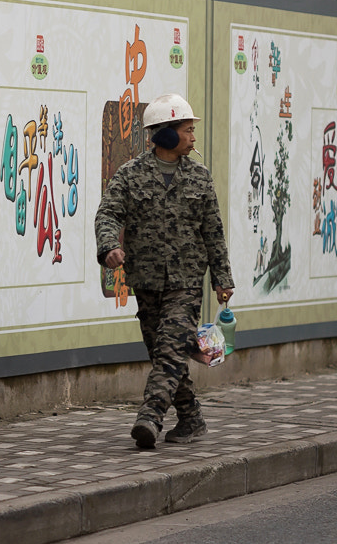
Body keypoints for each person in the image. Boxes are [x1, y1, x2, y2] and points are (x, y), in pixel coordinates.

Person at [94, 93, 234, 449]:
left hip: (186, 283)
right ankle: (191, 419)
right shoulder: (131, 175)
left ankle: (151, 416)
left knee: (170, 349)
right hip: (146, 281)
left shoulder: (199, 178)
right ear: (167, 134)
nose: (193, 137)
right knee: (164, 354)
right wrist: (109, 246)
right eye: (187, 130)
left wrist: (222, 279)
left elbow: (212, 231)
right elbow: (108, 214)